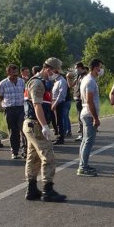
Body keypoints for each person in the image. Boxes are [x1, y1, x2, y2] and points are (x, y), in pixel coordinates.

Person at [22, 57, 67, 202]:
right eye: (55, 71)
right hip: (35, 125)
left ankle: (32, 189)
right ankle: (48, 190)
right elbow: (37, 106)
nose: (56, 74)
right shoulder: (38, 83)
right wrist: (45, 126)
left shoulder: (40, 82)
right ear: (48, 69)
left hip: (32, 124)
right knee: (48, 156)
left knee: (33, 157)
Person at [76, 58, 104, 177]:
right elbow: (89, 101)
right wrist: (95, 118)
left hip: (86, 113)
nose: (101, 70)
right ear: (95, 68)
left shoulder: (87, 79)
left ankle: (83, 164)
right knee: (88, 141)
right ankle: (83, 167)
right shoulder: (90, 81)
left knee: (85, 140)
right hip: (88, 114)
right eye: (100, 67)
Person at [0, 64, 26, 159]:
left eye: (16, 72)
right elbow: (0, 96)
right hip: (9, 109)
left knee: (24, 130)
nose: (15, 74)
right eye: (13, 72)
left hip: (21, 108)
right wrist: (3, 105)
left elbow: (25, 93)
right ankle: (15, 151)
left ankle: (25, 150)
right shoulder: (3, 83)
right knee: (13, 131)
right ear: (8, 72)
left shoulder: (22, 82)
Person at [50, 65, 69, 145]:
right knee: (55, 121)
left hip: (59, 103)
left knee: (59, 121)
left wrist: (55, 103)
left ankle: (61, 138)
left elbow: (61, 95)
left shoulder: (62, 81)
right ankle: (58, 136)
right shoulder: (56, 81)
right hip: (54, 101)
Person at [71, 62, 88, 142]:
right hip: (77, 98)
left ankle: (84, 135)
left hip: (81, 99)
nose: (75, 70)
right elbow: (71, 85)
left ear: (81, 68)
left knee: (82, 117)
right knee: (79, 117)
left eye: (76, 68)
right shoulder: (79, 76)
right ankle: (82, 134)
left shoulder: (85, 76)